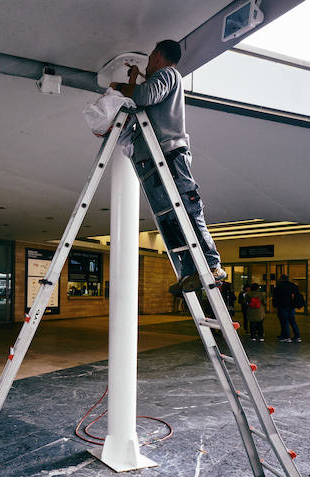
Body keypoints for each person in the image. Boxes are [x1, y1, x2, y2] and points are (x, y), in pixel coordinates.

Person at [112, 40, 226, 295]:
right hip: (156, 158)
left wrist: (121, 86)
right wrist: (133, 82)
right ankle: (188, 272)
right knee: (170, 218)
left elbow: (144, 96)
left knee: (187, 208)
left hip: (170, 156)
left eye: (151, 57)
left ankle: (212, 266)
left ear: (158, 56)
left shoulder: (169, 74)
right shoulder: (159, 80)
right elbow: (141, 102)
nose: (149, 62)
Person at [272, 274, 302, 343]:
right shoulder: (293, 286)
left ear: (281, 279)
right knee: (293, 321)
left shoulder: (279, 287)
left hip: (282, 307)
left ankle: (287, 337)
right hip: (291, 307)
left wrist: (275, 305)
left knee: (284, 322)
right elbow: (297, 296)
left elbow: (276, 297)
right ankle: (297, 337)